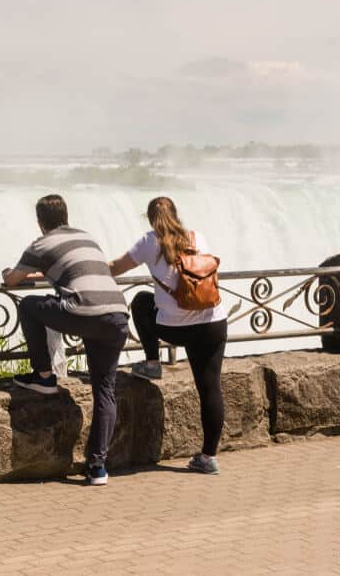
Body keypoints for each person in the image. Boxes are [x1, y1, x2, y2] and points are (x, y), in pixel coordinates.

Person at [2, 194, 129, 486]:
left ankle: (44, 376)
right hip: (117, 315)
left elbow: (13, 280)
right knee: (105, 391)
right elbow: (76, 268)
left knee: (28, 306)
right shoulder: (86, 237)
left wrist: (9, 274)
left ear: (40, 221)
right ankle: (98, 468)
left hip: (82, 311)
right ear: (66, 216)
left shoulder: (41, 243)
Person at [108, 196, 229, 474]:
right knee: (210, 387)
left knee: (140, 300)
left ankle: (152, 363)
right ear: (176, 215)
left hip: (174, 328)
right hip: (213, 321)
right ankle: (208, 457)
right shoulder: (198, 237)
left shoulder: (149, 242)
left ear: (151, 219)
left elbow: (116, 267)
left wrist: (85, 270)